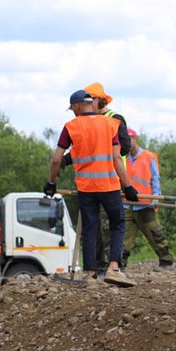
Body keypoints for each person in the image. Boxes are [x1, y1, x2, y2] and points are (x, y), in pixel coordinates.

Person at [44, 89, 139, 287]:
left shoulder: (71, 127)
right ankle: (114, 268)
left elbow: (56, 160)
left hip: (86, 188)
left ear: (78, 106)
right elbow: (116, 158)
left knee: (90, 228)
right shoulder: (109, 124)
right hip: (109, 186)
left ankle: (90, 276)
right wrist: (127, 186)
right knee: (118, 224)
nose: (72, 112)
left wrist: (51, 182)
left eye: (72, 109)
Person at [61, 82, 130, 273]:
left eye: (92, 99)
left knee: (110, 228)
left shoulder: (114, 119)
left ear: (99, 100)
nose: (89, 103)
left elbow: (123, 148)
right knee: (95, 228)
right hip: (96, 182)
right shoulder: (94, 121)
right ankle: (98, 268)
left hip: (113, 179)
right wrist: (66, 161)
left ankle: (114, 268)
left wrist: (127, 184)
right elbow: (82, 151)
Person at [121, 128, 174, 269]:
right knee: (123, 237)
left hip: (145, 204)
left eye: (128, 140)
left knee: (155, 233)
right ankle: (120, 266)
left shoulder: (148, 156)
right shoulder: (122, 158)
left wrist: (155, 197)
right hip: (127, 204)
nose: (125, 143)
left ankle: (166, 261)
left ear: (134, 139)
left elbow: (155, 178)